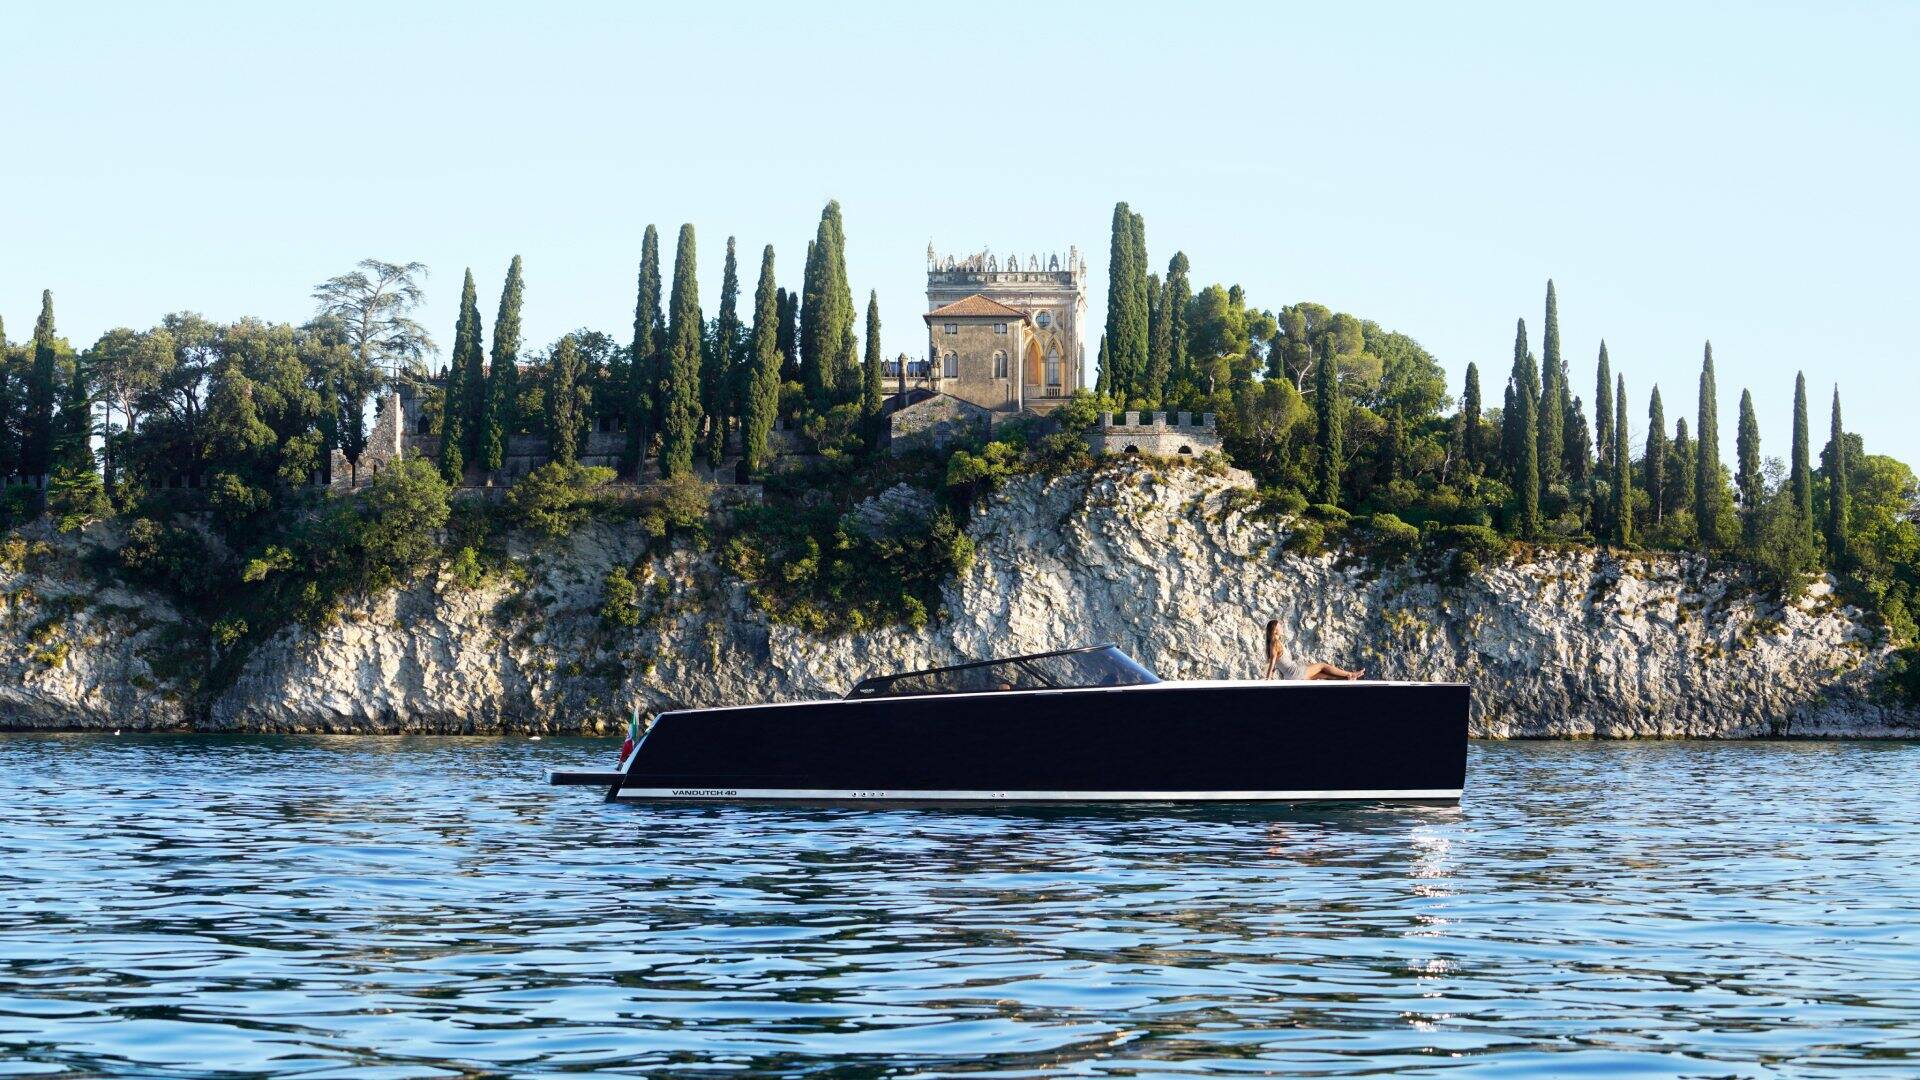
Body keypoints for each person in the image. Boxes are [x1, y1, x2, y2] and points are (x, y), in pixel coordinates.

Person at [1262, 619, 1364, 681]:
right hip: (1294, 672)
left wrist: (1270, 675)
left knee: (1321, 675)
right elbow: (1273, 660)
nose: (1282, 628)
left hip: (1290, 675)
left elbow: (1276, 662)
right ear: (1275, 630)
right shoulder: (1275, 642)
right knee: (1322, 666)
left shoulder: (1272, 643)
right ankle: (1350, 674)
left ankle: (1347, 679)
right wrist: (1268, 677)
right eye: (1280, 626)